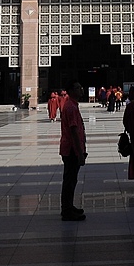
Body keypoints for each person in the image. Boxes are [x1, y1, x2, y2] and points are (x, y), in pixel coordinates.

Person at [59, 82, 88, 221]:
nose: (81, 89)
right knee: (70, 180)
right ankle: (66, 210)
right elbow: (73, 130)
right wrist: (79, 152)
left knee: (71, 179)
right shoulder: (71, 107)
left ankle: (69, 206)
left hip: (72, 149)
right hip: (71, 150)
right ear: (70, 91)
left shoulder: (73, 105)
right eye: (77, 87)